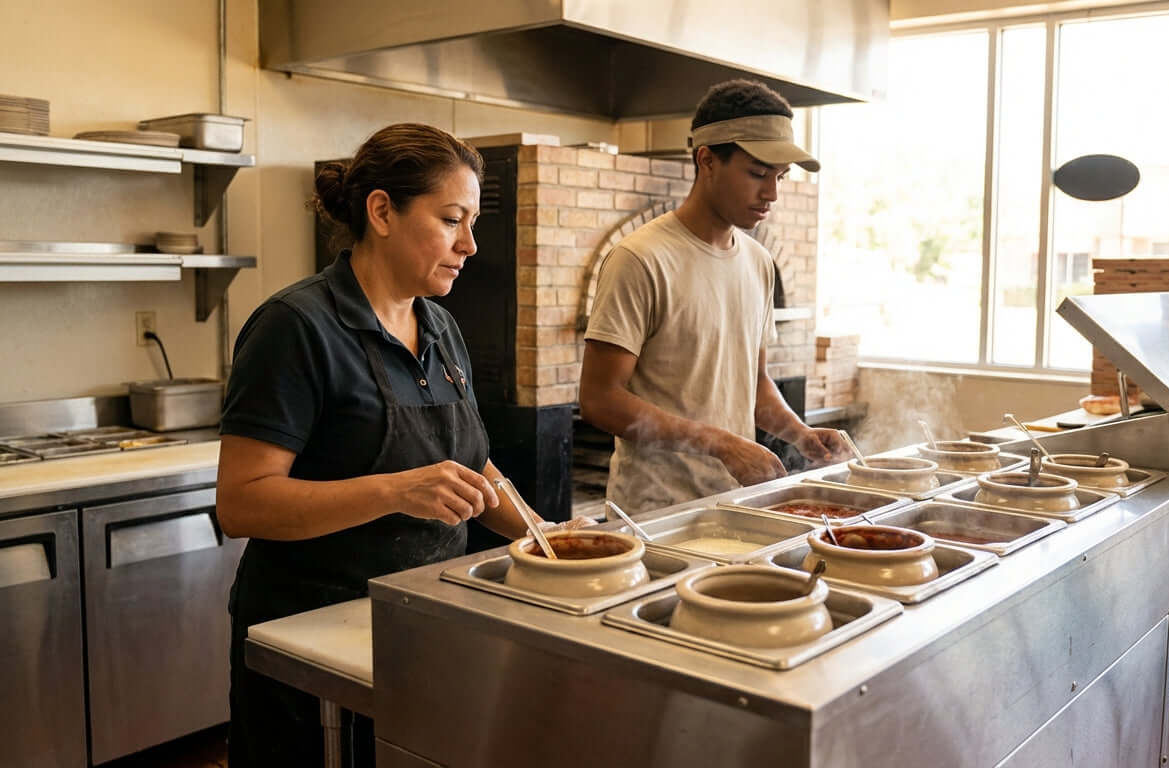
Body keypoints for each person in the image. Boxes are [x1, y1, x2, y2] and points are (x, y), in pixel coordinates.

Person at [216, 123, 586, 767]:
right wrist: (395, 491)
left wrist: (542, 535)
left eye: (473, 222)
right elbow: (243, 504)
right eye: (451, 220)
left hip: (420, 619)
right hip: (312, 636)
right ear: (381, 210)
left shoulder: (438, 323)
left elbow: (472, 466)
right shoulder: (296, 328)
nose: (470, 245)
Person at [580, 80, 847, 514]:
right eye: (758, 174)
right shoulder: (640, 258)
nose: (772, 194)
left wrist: (801, 435)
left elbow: (754, 385)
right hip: (655, 514)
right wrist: (721, 445)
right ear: (707, 160)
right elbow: (599, 399)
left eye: (780, 177)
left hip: (736, 506)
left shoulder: (760, 263)